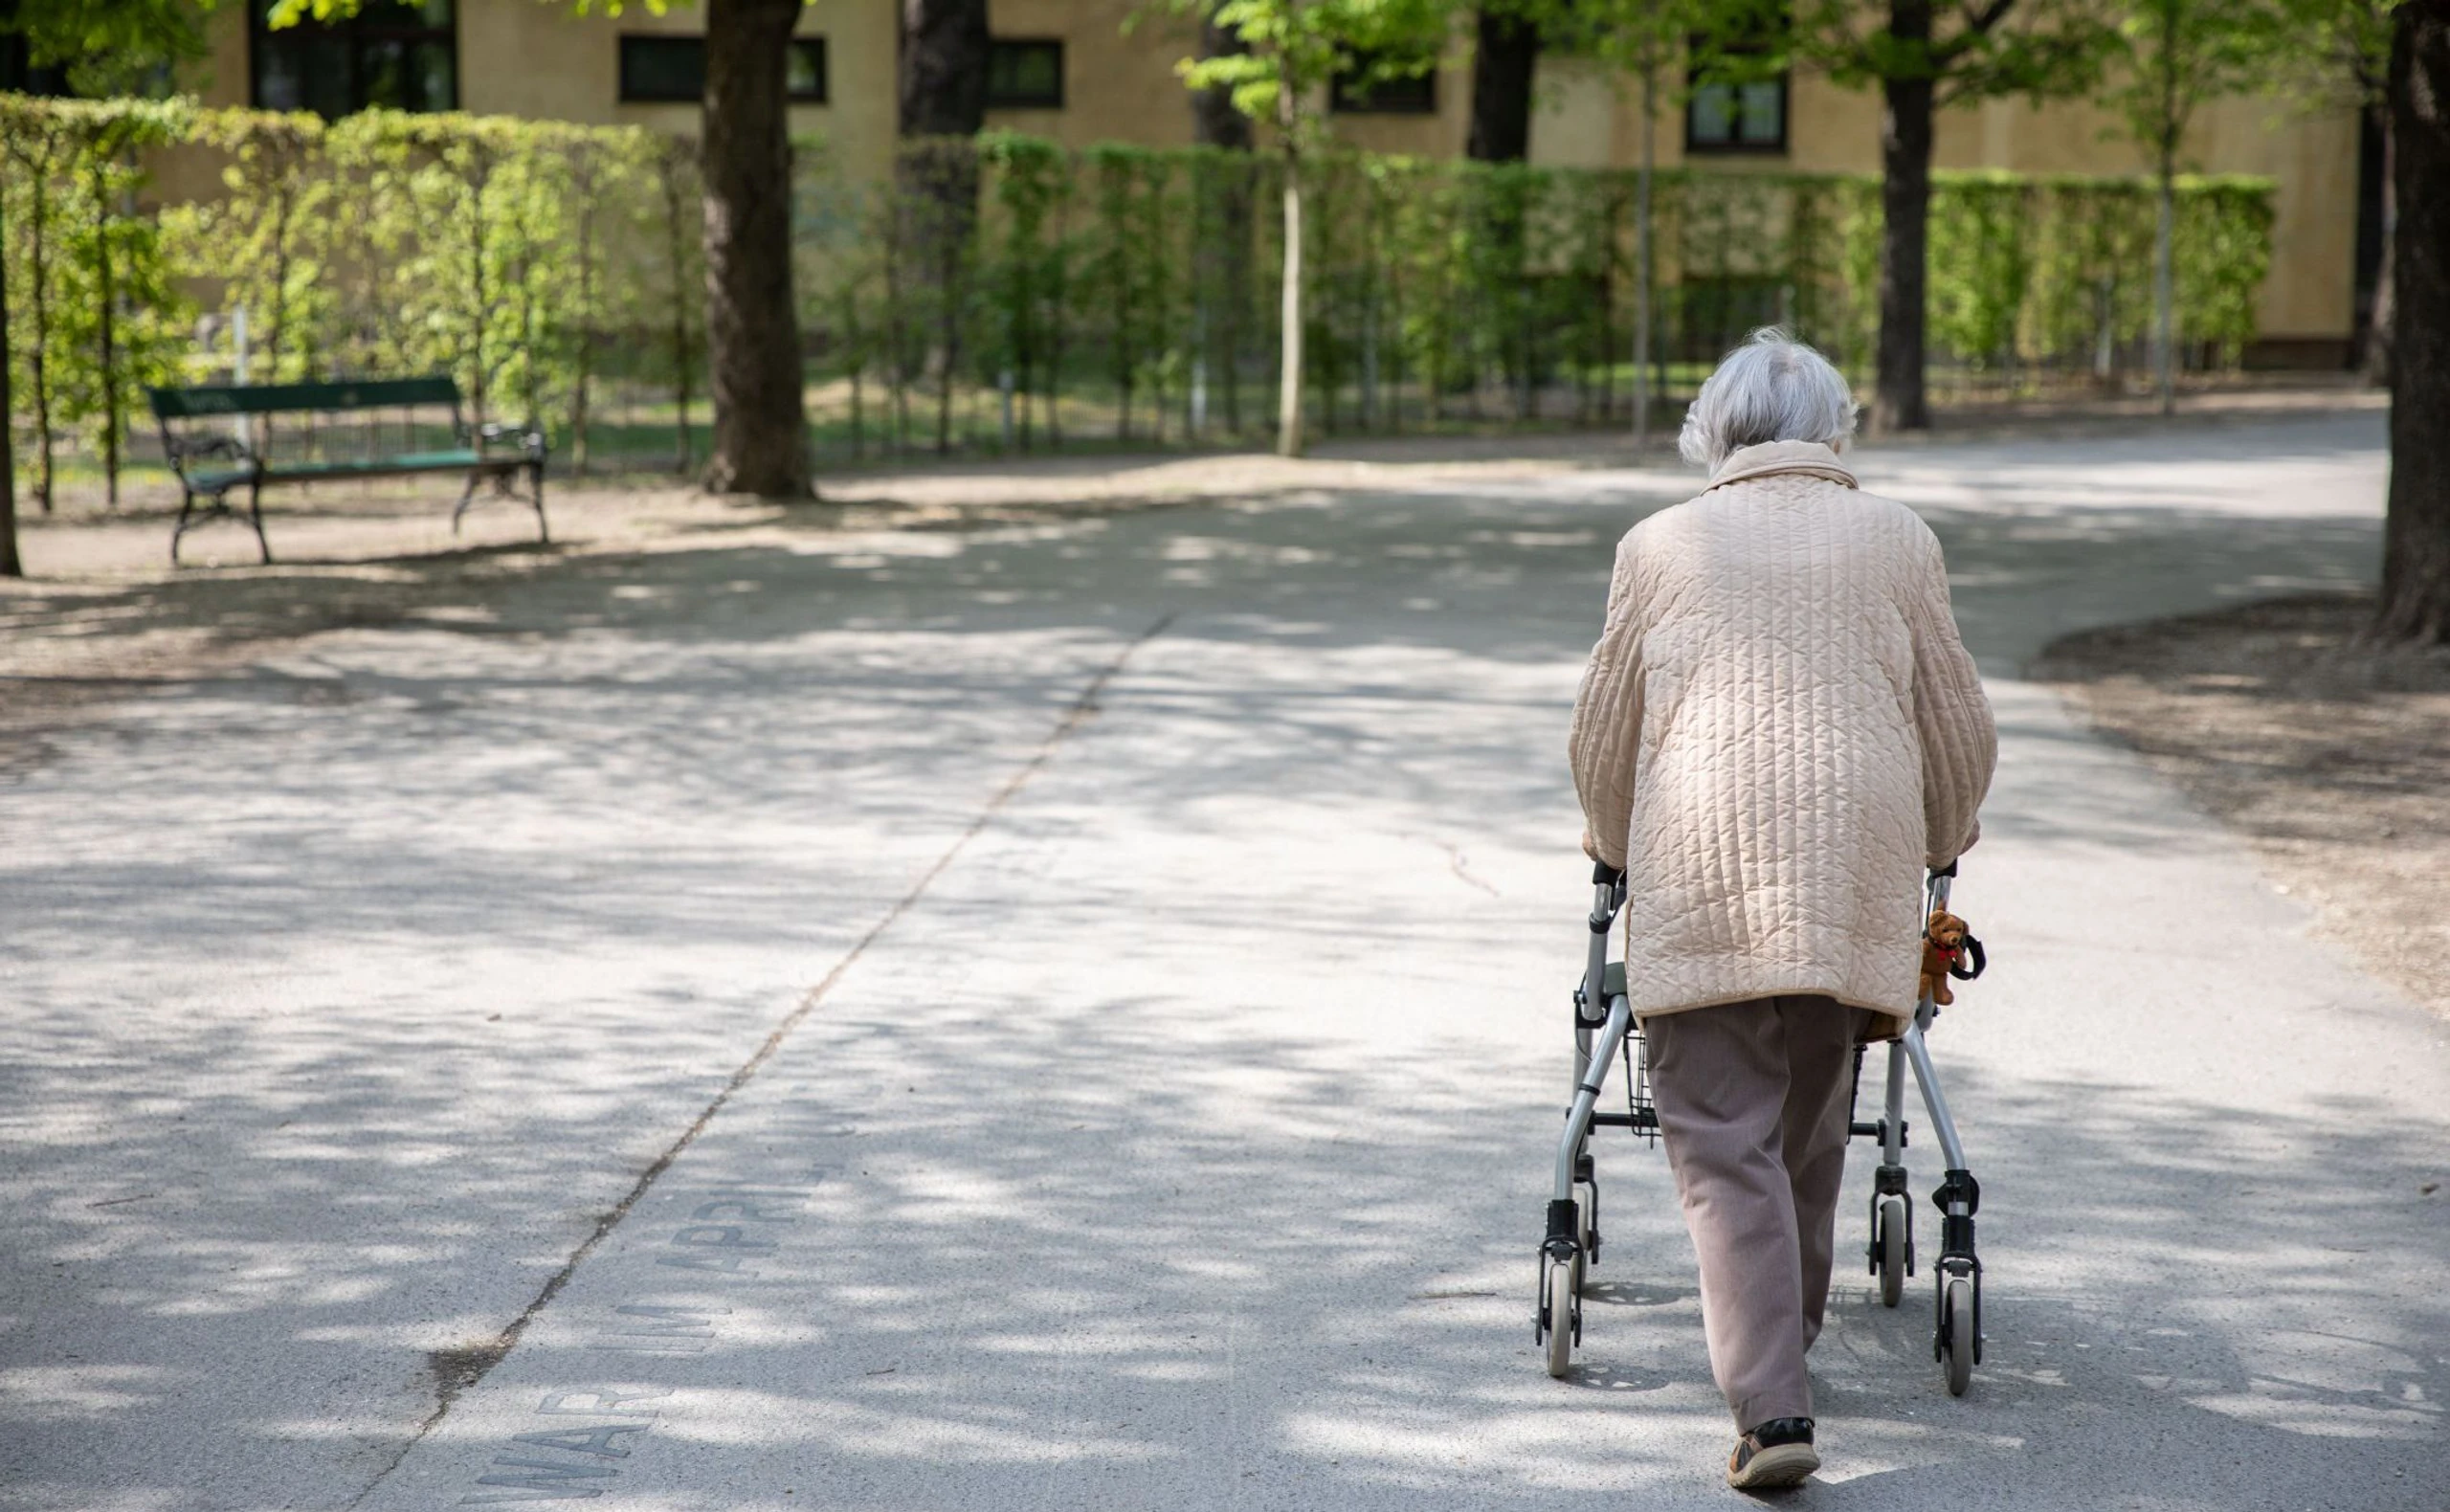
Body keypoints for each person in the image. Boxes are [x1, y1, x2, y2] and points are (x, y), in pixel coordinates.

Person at [1568, 329, 1996, 1491]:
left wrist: (1611, 849)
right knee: (1807, 1129)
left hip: (1698, 857)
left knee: (1718, 1141)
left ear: (1712, 431)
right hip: (1851, 860)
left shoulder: (1657, 543)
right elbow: (1955, 725)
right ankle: (1782, 1358)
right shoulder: (1899, 538)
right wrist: (1944, 837)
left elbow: (1606, 738)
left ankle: (1770, 1408)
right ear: (1834, 426)